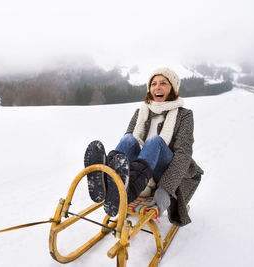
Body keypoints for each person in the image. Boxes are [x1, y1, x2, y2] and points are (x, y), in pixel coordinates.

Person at [84, 67, 204, 227]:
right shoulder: (140, 112)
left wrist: (165, 189)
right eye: (153, 84)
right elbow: (128, 147)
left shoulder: (184, 115)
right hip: (140, 172)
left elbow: (183, 155)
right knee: (128, 139)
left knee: (154, 142)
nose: (157, 87)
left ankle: (131, 188)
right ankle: (108, 179)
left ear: (173, 88)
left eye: (163, 83)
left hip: (163, 172)